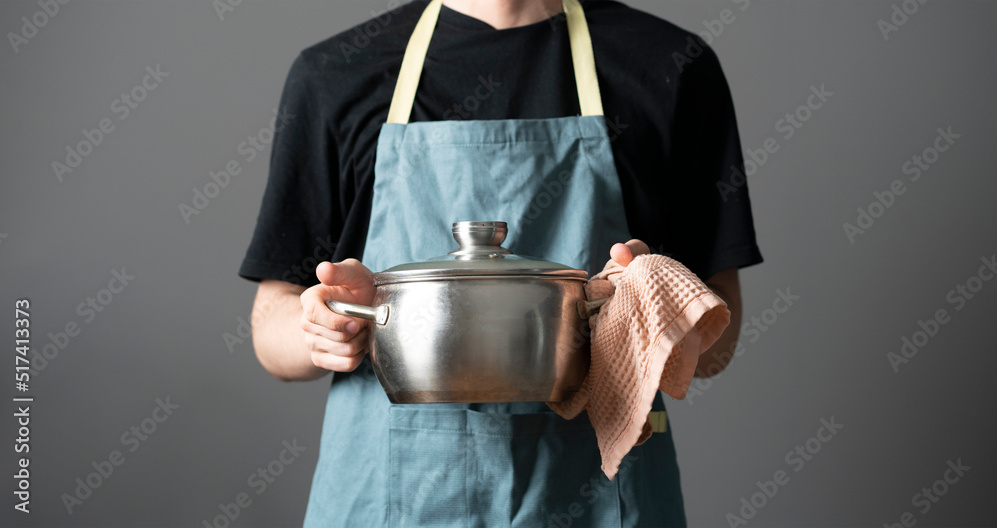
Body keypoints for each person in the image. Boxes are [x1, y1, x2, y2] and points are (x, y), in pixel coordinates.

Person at [239, 0, 763, 525]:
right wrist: (323, 325)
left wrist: (651, 306)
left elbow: (720, 342)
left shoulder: (670, 64)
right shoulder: (336, 73)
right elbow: (269, 328)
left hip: (598, 499)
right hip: (393, 498)